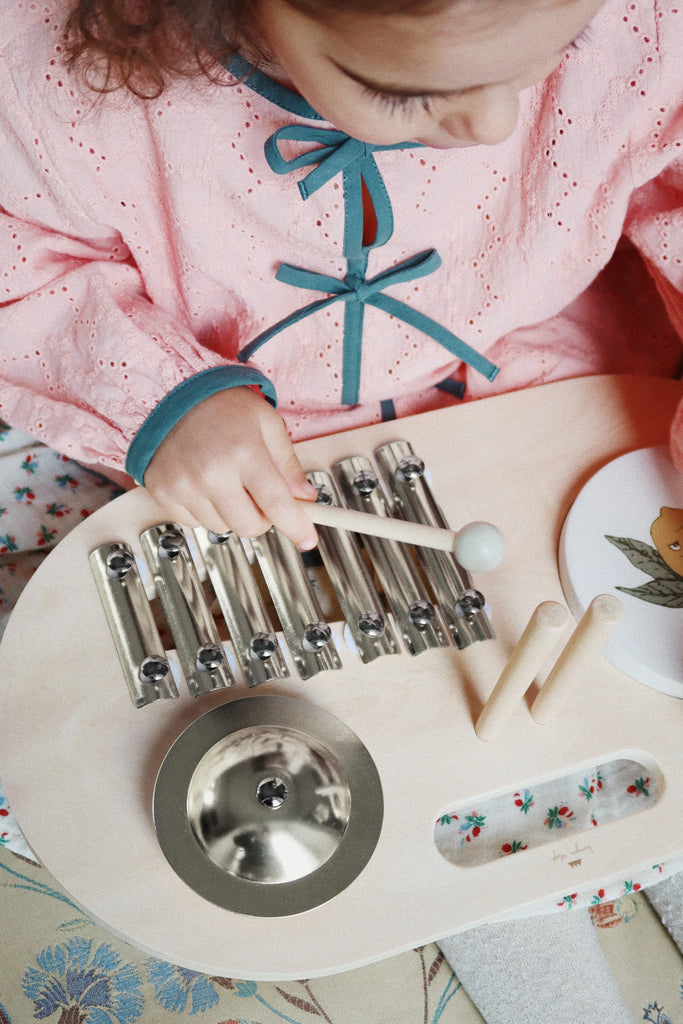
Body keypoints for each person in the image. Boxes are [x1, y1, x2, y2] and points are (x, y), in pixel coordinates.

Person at [0, 0, 681, 1021]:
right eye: (407, 91)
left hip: (551, 382)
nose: (495, 126)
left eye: (559, 50)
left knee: (621, 704)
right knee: (401, 780)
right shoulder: (53, 75)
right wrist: (162, 398)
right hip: (267, 448)